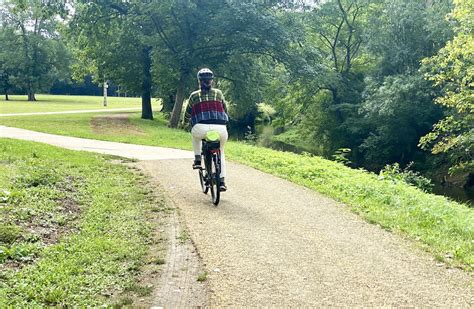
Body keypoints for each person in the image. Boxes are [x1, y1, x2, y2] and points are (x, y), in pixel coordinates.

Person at [183, 68, 229, 191]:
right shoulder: (218, 93)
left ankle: (198, 159)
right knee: (221, 151)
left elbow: (188, 113)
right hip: (220, 127)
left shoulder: (194, 95)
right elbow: (225, 108)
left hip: (200, 127)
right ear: (211, 81)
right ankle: (222, 181)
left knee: (195, 136)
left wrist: (185, 123)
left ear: (199, 81)